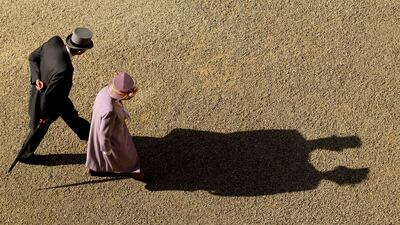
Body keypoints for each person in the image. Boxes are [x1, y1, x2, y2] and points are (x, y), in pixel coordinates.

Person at [18, 27, 94, 162]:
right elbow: (49, 97)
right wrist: (44, 115)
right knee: (41, 126)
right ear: (81, 51)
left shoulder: (54, 41)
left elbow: (33, 56)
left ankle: (90, 134)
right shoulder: (65, 69)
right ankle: (25, 155)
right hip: (50, 101)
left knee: (71, 115)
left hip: (55, 96)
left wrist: (36, 78)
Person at [86, 72, 149, 182]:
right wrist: (107, 150)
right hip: (114, 134)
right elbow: (104, 135)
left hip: (97, 125)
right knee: (125, 154)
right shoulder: (109, 111)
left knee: (97, 151)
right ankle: (134, 171)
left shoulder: (105, 90)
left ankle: (96, 168)